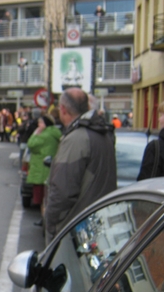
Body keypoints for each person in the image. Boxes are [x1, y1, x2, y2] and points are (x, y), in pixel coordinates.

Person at [44, 88, 117, 240]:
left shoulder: (77, 139)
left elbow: (62, 192)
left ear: (63, 109)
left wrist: (51, 226)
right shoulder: (101, 133)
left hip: (76, 229)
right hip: (97, 222)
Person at [26, 113, 61, 215]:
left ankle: (43, 216)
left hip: (41, 166)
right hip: (48, 164)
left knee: (42, 195)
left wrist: (36, 133)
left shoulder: (45, 135)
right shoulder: (55, 132)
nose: (38, 125)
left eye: (40, 123)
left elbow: (31, 144)